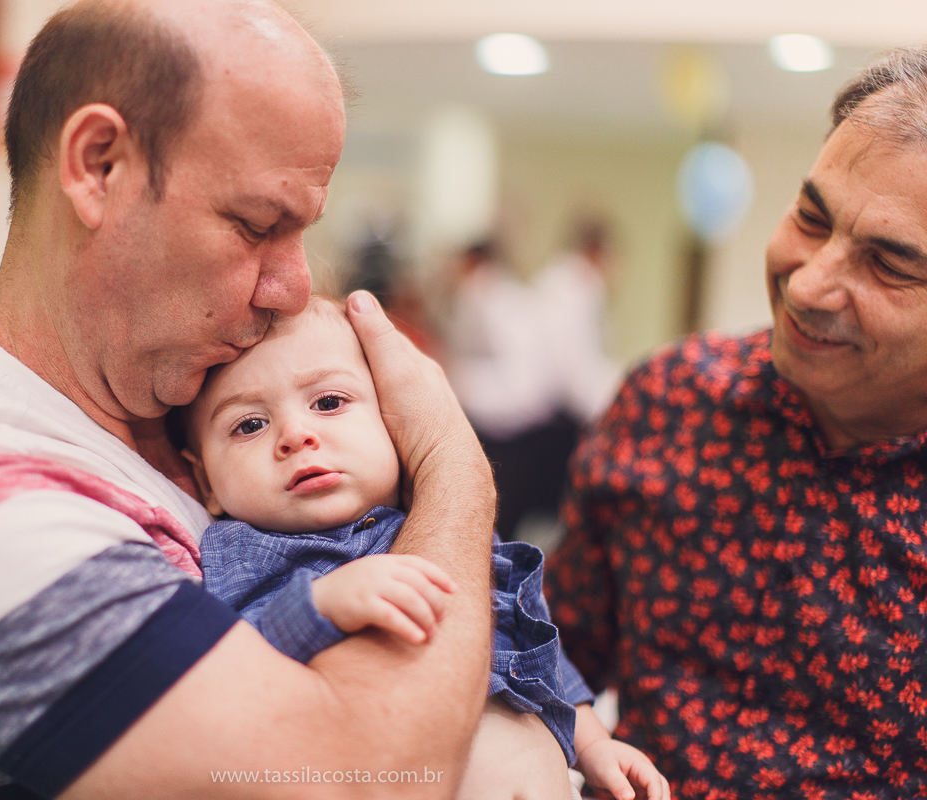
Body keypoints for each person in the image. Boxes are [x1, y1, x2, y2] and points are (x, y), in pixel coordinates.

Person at [0, 1, 549, 798]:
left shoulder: (170, 414)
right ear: (99, 166)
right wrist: (449, 458)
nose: (296, 286)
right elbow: (373, 782)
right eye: (256, 224)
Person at [545, 45, 927, 800]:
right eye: (811, 217)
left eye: (888, 264)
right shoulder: (669, 402)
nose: (810, 284)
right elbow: (549, 658)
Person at [178, 295, 670, 800]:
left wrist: (593, 743)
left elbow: (529, 640)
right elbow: (233, 664)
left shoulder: (444, 525)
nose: (296, 435)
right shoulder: (245, 552)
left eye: (328, 402)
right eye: (249, 425)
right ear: (205, 480)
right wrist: (320, 604)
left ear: (395, 423)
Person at [444, 234, 621, 539]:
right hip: (525, 415)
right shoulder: (556, 289)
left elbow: (538, 373)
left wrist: (456, 379)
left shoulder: (490, 292)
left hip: (515, 419)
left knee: (501, 522)